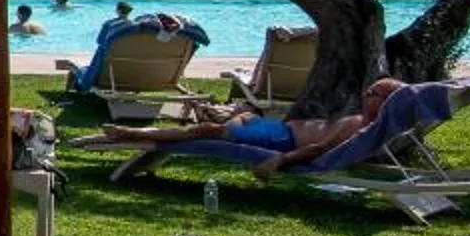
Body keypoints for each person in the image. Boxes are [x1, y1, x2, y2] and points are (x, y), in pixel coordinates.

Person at [106, 77, 402, 178]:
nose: (366, 95)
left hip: (280, 141)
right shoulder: (371, 124)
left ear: (385, 101)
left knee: (204, 130)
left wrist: (278, 160)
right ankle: (235, 114)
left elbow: (318, 148)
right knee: (234, 121)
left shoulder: (359, 126)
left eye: (373, 93)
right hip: (277, 131)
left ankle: (130, 133)